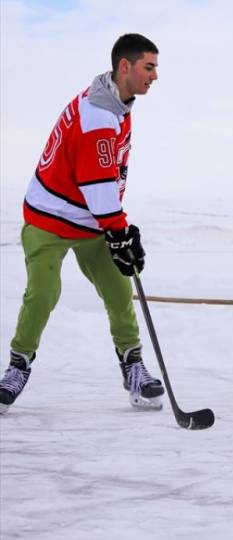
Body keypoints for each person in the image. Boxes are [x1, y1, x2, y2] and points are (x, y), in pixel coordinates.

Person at [0, 34, 164, 415]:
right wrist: (120, 232)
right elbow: (97, 183)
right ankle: (17, 367)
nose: (155, 76)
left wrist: (117, 229)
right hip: (49, 217)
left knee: (119, 291)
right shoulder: (97, 116)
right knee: (43, 293)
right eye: (149, 67)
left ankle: (133, 366)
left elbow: (104, 179)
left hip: (90, 219)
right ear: (125, 66)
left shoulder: (114, 99)